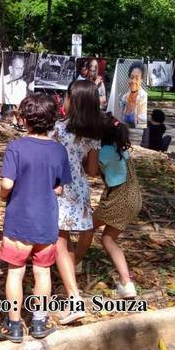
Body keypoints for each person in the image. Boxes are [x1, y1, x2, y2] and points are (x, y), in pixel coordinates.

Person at [0, 94, 72, 342]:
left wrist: (3, 194)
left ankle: (14, 325)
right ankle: (39, 322)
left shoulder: (16, 147)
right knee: (42, 272)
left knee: (15, 273)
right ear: (53, 120)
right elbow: (59, 188)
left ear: (24, 119)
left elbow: (7, 183)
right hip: (46, 222)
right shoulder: (59, 150)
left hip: (19, 221)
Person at [52, 80, 102, 324]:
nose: (65, 100)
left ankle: (74, 299)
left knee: (59, 241)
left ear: (74, 101)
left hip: (60, 187)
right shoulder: (94, 134)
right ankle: (70, 292)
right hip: (80, 188)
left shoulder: (59, 129)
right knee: (64, 241)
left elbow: (49, 158)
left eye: (67, 96)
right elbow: (92, 170)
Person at [91, 113, 142, 297]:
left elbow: (91, 170)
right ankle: (126, 283)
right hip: (134, 199)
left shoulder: (103, 152)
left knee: (87, 226)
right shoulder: (120, 147)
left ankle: (75, 261)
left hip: (117, 200)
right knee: (108, 238)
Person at [120, 61, 148, 128]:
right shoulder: (124, 97)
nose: (133, 81)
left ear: (141, 80)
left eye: (137, 78)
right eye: (131, 77)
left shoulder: (144, 98)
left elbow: (142, 125)